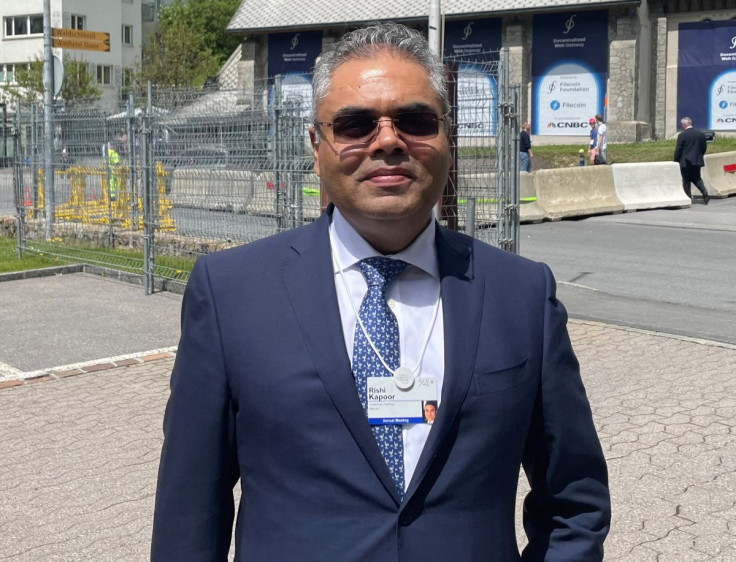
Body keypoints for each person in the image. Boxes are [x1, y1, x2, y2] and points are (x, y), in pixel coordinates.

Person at [151, 22, 610, 561]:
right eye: (355, 124)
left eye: (415, 120)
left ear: (447, 138)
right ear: (316, 145)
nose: (388, 141)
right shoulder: (230, 293)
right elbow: (189, 511)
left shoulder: (522, 294)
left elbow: (573, 499)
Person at [674, 116, 710, 204]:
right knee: (697, 178)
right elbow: (703, 147)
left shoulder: (682, 135)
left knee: (686, 180)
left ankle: (688, 198)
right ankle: (705, 193)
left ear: (684, 125)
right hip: (697, 161)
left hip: (685, 161)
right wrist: (699, 156)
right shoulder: (700, 134)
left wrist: (676, 160)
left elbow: (679, 149)